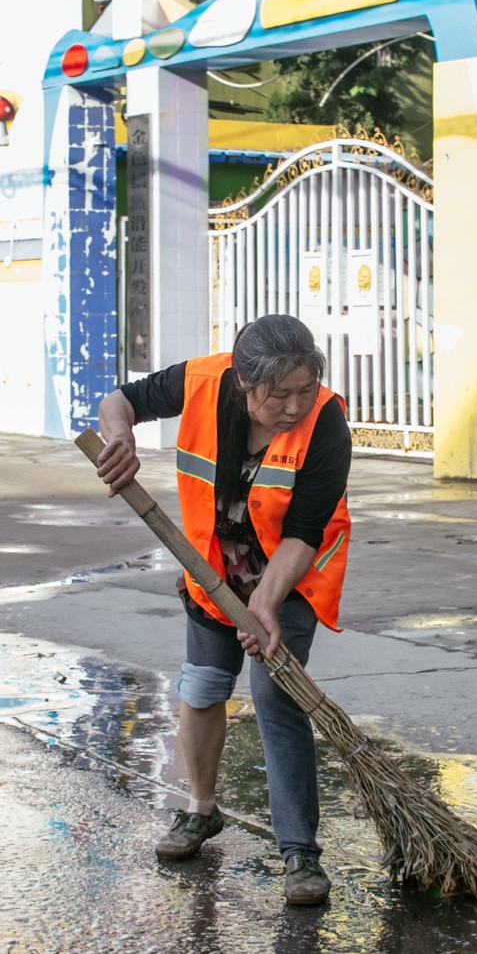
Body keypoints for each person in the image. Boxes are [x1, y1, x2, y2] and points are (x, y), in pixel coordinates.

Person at [94, 314, 352, 906]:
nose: (293, 407)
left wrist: (264, 602)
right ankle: (201, 811)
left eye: (304, 390)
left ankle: (300, 853)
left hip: (290, 579)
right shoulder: (202, 381)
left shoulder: (328, 422)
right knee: (204, 687)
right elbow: (119, 401)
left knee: (275, 696)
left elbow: (306, 531)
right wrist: (120, 437)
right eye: (277, 394)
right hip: (212, 571)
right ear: (242, 380)